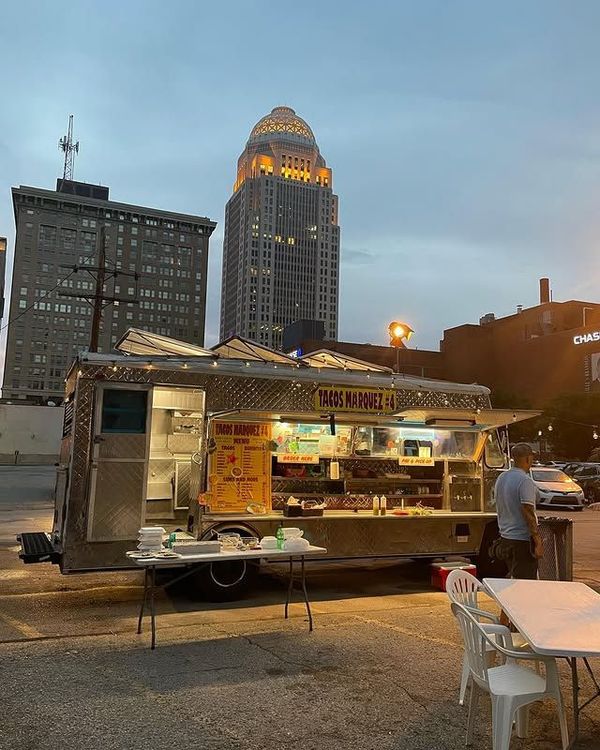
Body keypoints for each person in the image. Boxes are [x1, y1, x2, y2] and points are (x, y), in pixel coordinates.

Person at [493, 443, 543, 580]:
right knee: (525, 584)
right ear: (528, 458)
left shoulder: (501, 478)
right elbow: (527, 511)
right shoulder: (524, 480)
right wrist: (538, 541)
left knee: (513, 581)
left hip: (505, 538)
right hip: (522, 541)